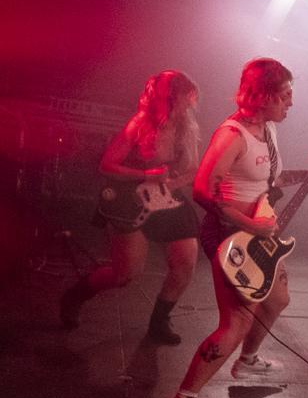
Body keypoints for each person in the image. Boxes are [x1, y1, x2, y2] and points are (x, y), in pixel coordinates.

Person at [159, 58, 308, 398]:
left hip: (257, 236)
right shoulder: (232, 135)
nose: (291, 104)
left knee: (277, 298)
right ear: (264, 96)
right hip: (230, 235)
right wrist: (251, 223)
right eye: (285, 96)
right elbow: (203, 191)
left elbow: (268, 179)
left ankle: (248, 360)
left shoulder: (266, 131)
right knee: (234, 323)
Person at [59, 71, 202, 343]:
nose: (189, 104)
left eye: (190, 97)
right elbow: (107, 164)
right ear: (168, 98)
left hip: (167, 198)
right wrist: (146, 176)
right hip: (131, 200)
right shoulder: (139, 123)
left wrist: (174, 183)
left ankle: (159, 323)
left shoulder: (188, 127)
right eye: (184, 97)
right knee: (125, 275)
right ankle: (75, 295)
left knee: (185, 262)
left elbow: (192, 169)